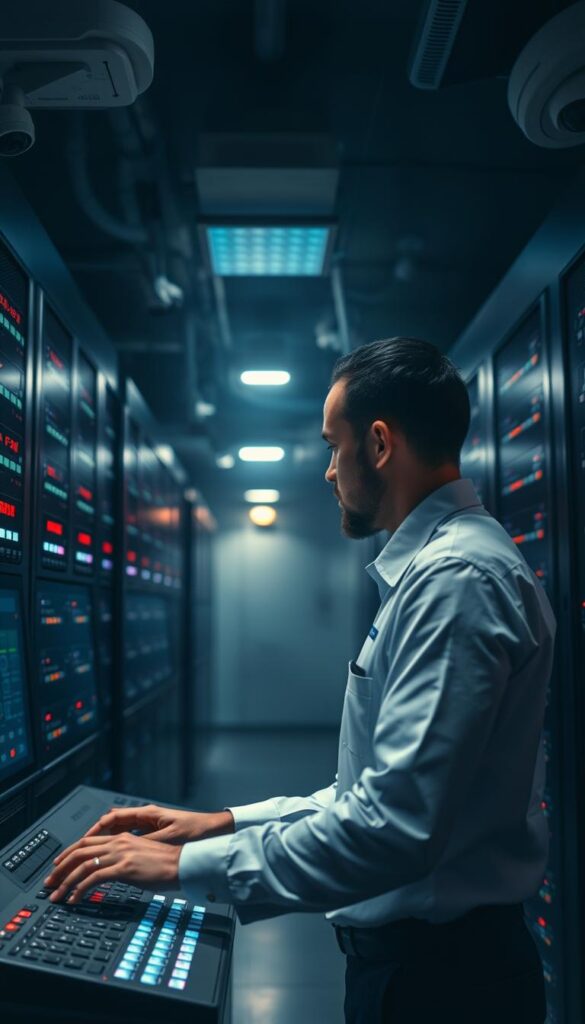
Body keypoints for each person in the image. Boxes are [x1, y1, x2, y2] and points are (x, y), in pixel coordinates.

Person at [45, 338, 553, 1023]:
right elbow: (368, 794)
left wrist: (183, 868)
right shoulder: (439, 574)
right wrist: (217, 824)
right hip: (429, 969)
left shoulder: (454, 583)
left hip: (440, 985)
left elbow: (392, 827)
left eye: (330, 445)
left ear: (378, 444)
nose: (325, 470)